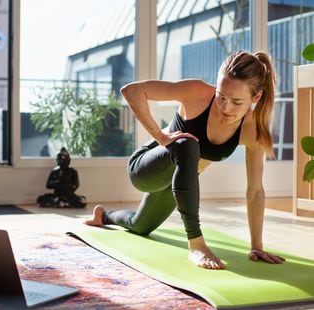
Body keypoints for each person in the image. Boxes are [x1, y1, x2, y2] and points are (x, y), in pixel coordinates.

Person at [85, 51, 286, 270]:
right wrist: (161, 137)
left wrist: (256, 245)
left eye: (237, 102)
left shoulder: (253, 130)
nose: (226, 108)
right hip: (145, 169)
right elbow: (132, 91)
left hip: (179, 183)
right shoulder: (197, 92)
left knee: (140, 226)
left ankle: (103, 216)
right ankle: (196, 244)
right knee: (189, 144)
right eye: (221, 96)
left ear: (255, 98)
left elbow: (255, 190)